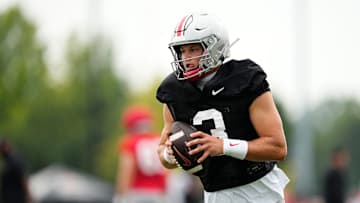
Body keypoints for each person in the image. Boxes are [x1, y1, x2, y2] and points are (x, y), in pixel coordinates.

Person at [156, 13, 289, 203]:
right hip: (216, 193)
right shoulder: (174, 91)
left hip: (259, 189)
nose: (186, 58)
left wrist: (223, 146)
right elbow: (162, 151)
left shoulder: (245, 79)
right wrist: (170, 154)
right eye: (182, 51)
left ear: (215, 46)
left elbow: (278, 148)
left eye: (194, 49)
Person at [113, 105, 167, 203]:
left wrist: (120, 196)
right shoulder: (159, 140)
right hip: (159, 195)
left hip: (136, 194)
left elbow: (126, 171)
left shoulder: (130, 142)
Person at [0, 138, 32, 203]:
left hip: (17, 199)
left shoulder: (15, 160)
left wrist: (29, 196)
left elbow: (23, 179)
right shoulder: (7, 161)